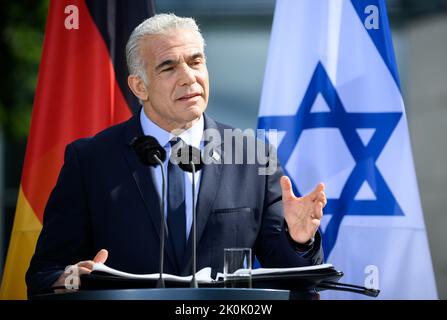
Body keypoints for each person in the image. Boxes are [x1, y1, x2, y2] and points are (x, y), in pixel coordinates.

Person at [26, 13, 327, 296]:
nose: (189, 78)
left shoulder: (252, 156)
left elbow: (293, 277)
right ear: (139, 86)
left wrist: (299, 240)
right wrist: (72, 277)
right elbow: (43, 273)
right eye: (169, 67)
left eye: (196, 62)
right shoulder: (90, 161)